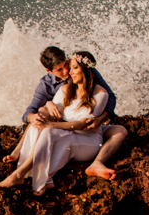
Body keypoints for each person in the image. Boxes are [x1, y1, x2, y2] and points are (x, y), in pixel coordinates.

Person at [0, 54, 114, 193]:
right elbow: (42, 111)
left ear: (85, 69)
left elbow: (81, 124)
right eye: (69, 68)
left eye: (73, 68)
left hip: (89, 140)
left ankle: (20, 174)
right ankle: (41, 177)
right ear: (49, 71)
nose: (68, 72)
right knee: (38, 125)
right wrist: (45, 108)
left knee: (50, 131)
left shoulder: (100, 93)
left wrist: (51, 125)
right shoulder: (65, 89)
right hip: (68, 132)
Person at [19, 47, 127, 181]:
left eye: (67, 65)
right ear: (49, 71)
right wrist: (47, 104)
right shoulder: (46, 84)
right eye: (59, 70)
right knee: (42, 113)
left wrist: (101, 118)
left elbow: (109, 95)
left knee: (120, 131)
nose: (67, 72)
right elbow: (29, 113)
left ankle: (97, 162)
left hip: (90, 125)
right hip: (64, 125)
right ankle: (21, 155)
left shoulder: (80, 67)